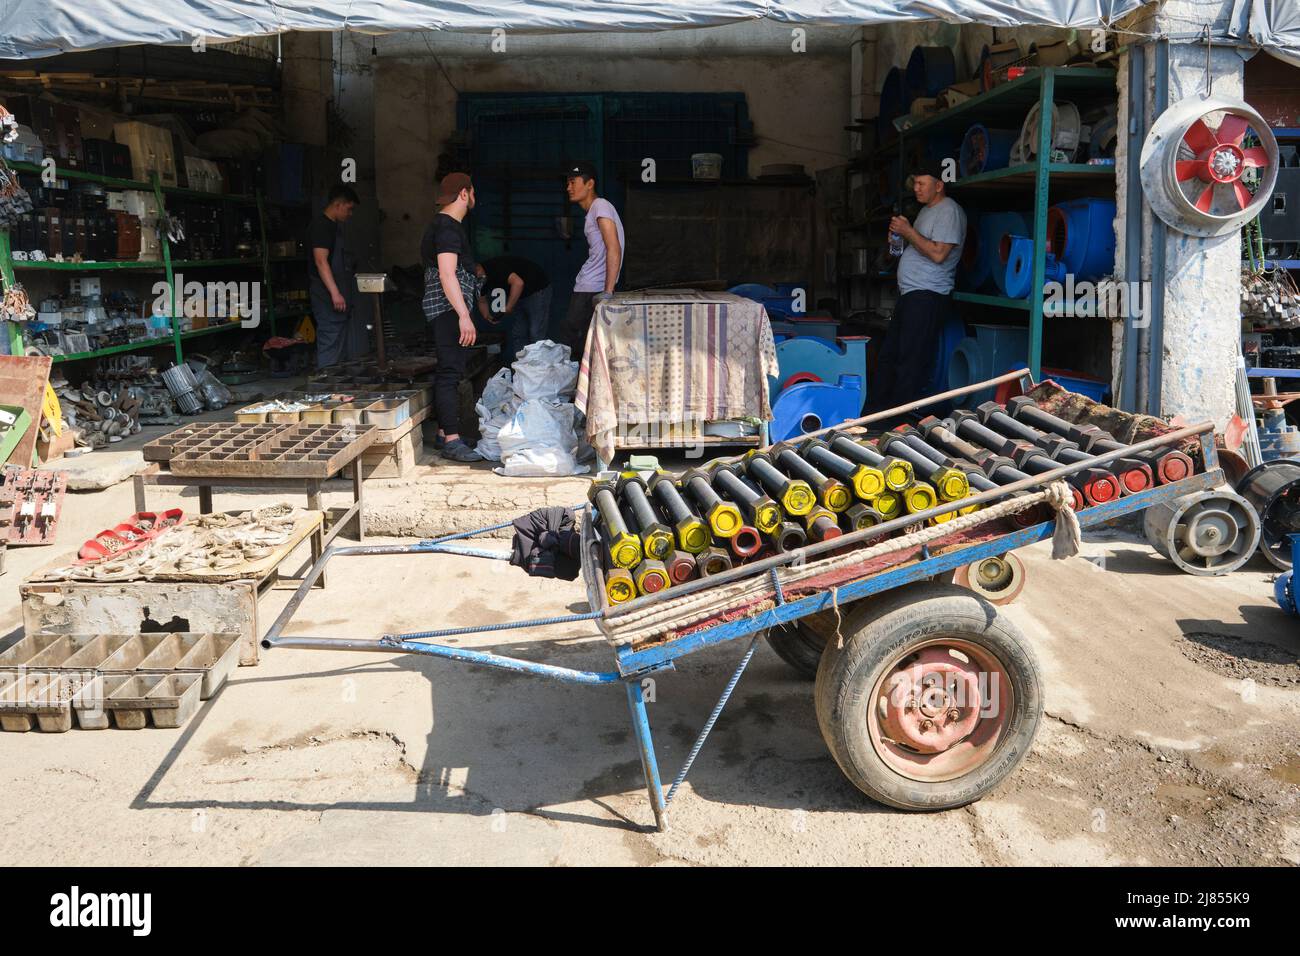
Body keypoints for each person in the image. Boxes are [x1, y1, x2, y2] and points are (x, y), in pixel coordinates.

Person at [869, 159, 966, 412]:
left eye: (922, 183)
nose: (916, 188)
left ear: (939, 185)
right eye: (915, 184)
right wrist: (898, 240)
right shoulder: (926, 211)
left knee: (910, 360)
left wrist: (908, 231)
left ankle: (898, 420)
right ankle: (877, 415)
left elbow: (938, 254)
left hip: (928, 296)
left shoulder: (949, 211)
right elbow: (912, 249)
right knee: (891, 356)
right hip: (911, 295)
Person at [421, 172, 484, 463]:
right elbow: (447, 273)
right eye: (473, 192)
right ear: (463, 193)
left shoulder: (446, 226)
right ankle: (452, 440)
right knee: (449, 373)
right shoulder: (447, 228)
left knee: (452, 369)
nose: (475, 197)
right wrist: (463, 315)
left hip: (448, 310)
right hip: (448, 311)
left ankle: (446, 432)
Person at [560, 160, 624, 358]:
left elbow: (614, 247)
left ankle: (577, 386)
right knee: (580, 342)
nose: (568, 187)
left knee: (573, 342)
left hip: (592, 288)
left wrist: (607, 291)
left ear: (590, 184)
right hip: (589, 287)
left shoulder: (600, 206)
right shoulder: (592, 213)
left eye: (573, 182)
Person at [308, 184, 360, 369]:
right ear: (339, 204)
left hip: (336, 294)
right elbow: (320, 261)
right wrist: (335, 293)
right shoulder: (322, 226)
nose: (350, 213)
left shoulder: (334, 227)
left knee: (338, 341)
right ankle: (326, 386)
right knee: (330, 339)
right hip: (326, 296)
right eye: (349, 208)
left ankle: (337, 387)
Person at [476, 254, 552, 361]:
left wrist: (509, 306)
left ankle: (538, 369)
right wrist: (487, 316)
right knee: (519, 333)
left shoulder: (495, 268)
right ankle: (520, 369)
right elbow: (482, 300)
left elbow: (518, 283)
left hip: (537, 288)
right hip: (519, 295)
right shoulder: (479, 279)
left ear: (479, 267)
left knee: (536, 332)